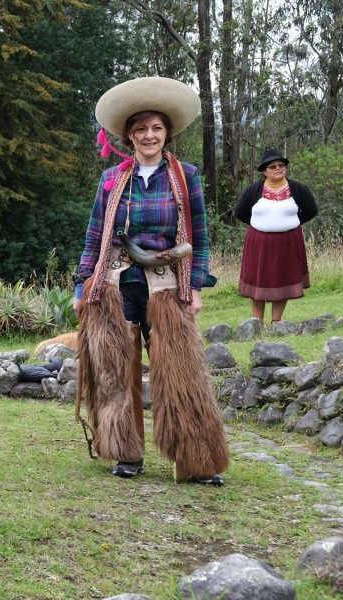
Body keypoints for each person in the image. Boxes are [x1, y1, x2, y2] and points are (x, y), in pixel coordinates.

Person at [74, 76, 229, 485]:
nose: (149, 135)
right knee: (115, 368)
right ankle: (126, 452)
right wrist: (82, 286)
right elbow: (95, 235)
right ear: (129, 135)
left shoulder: (185, 176)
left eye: (156, 128)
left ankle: (196, 460)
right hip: (116, 281)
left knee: (181, 370)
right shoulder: (112, 180)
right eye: (141, 129)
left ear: (167, 133)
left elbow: (198, 235)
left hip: (167, 281)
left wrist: (194, 287)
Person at [234, 148, 318, 324]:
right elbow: (240, 212)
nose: (278, 168)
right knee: (258, 280)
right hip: (259, 243)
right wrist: (260, 224)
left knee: (282, 280)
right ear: (265, 171)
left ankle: (276, 322)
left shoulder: (298, 189)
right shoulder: (254, 190)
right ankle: (256, 322)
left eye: (281, 165)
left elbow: (311, 210)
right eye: (272, 166)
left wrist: (293, 222)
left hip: (288, 243)